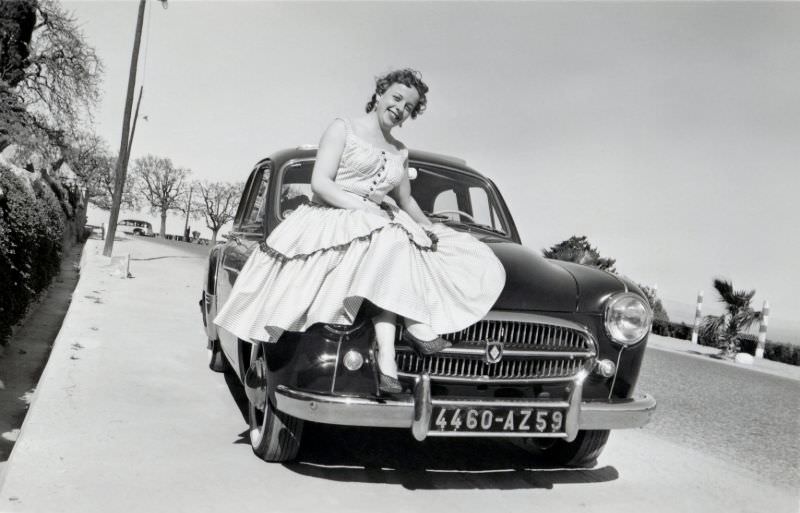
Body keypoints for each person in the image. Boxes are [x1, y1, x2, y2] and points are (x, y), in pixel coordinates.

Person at [214, 69, 506, 393]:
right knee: (391, 237)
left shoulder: (400, 151)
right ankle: (412, 330)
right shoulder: (344, 128)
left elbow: (405, 200)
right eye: (396, 98)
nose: (399, 108)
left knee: (402, 243)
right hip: (333, 214)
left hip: (379, 222)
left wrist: (430, 229)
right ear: (380, 94)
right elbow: (320, 182)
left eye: (409, 106)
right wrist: (363, 209)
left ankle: (389, 362)